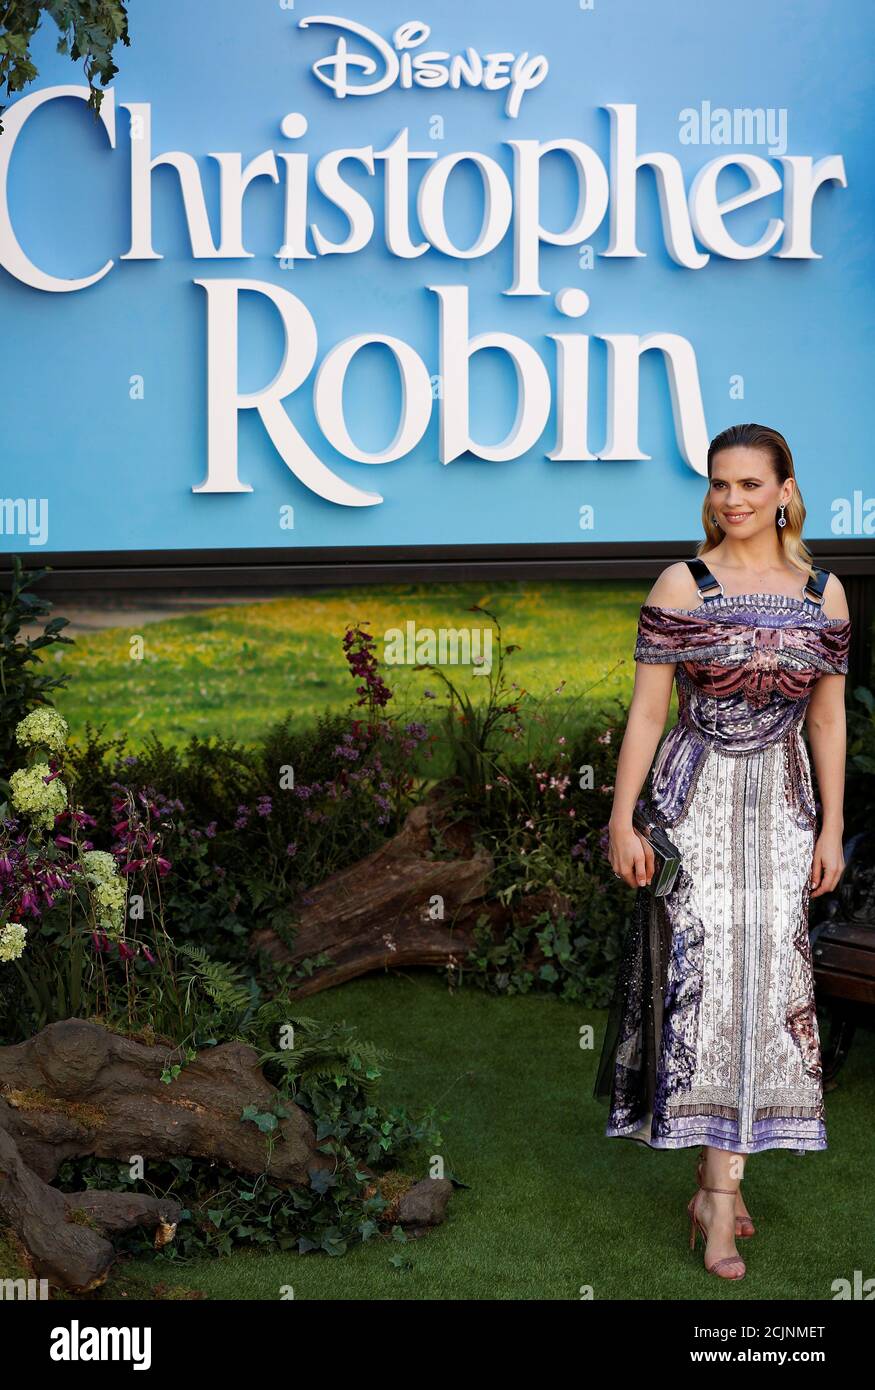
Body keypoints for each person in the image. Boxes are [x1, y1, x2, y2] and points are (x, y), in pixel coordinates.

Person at [594, 422, 851, 1281]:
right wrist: (622, 817)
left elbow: (826, 718)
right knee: (709, 994)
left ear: (785, 489)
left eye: (748, 484)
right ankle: (716, 1205)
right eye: (718, 484)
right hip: (692, 805)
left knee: (766, 989)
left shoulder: (825, 594)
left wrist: (828, 830)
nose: (730, 500)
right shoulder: (683, 582)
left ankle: (720, 1186)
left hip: (782, 808)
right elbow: (644, 714)